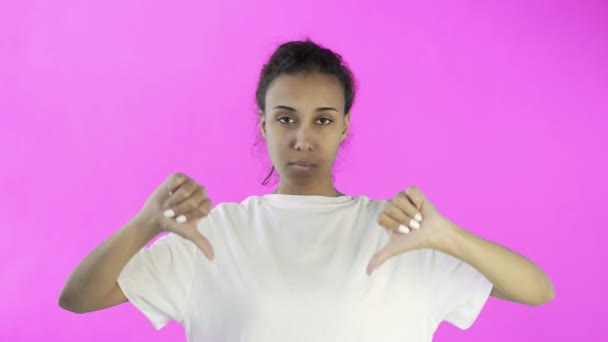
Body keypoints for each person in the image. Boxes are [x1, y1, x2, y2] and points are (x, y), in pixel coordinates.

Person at [59, 40, 555, 341]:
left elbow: (538, 291)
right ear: (263, 125)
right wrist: (145, 222)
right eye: (285, 119)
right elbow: (79, 297)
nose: (303, 138)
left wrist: (447, 236)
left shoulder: (399, 231)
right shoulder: (215, 234)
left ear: (344, 126)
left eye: (322, 119)